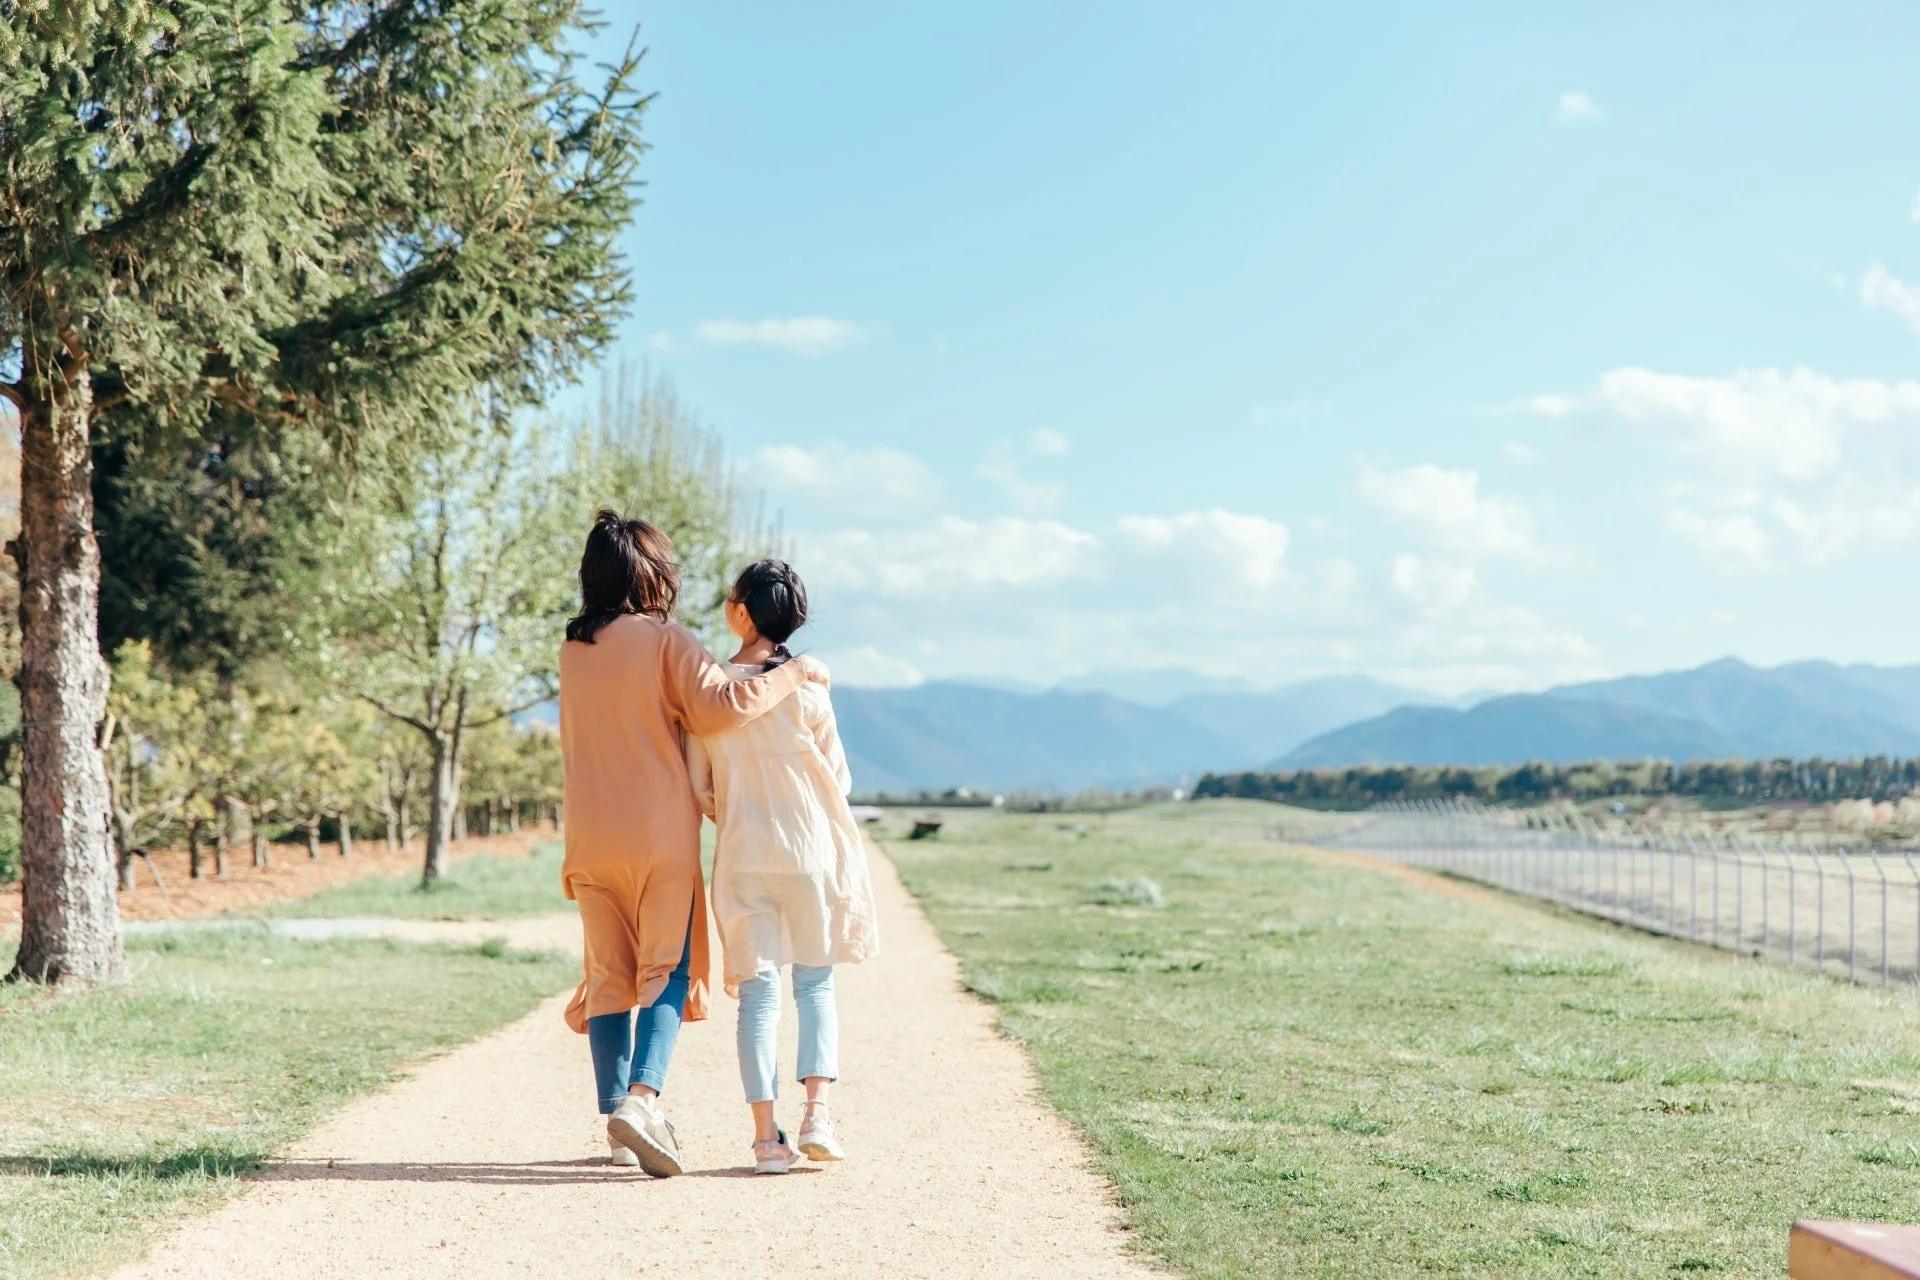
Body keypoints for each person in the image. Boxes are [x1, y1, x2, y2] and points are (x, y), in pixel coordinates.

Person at [558, 511, 826, 1177]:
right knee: (667, 970)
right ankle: (644, 1100)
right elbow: (719, 707)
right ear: (652, 575)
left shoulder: (573, 649)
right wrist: (793, 674)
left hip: (590, 837)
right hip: (657, 835)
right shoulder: (664, 640)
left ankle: (618, 1120)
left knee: (609, 974)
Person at [685, 559, 879, 1175]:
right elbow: (839, 780)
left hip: (744, 856)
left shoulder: (710, 697)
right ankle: (818, 1114)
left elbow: (702, 789)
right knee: (815, 985)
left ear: (741, 613)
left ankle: (768, 1140)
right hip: (811, 854)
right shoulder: (810, 690)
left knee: (759, 1001)